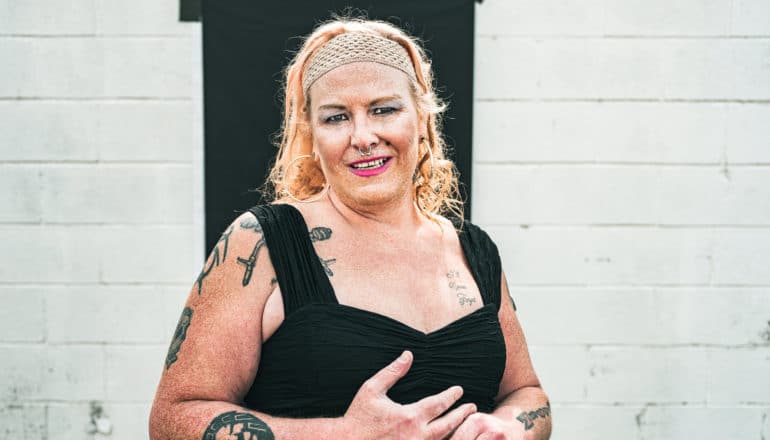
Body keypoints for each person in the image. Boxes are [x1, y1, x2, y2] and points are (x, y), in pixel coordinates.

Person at [150, 17, 551, 440]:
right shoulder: (263, 243)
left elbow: (527, 394)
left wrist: (508, 428)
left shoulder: (474, 251)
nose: (363, 136)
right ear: (312, 136)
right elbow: (172, 419)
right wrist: (343, 434)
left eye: (384, 109)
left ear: (421, 118)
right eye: (337, 117)